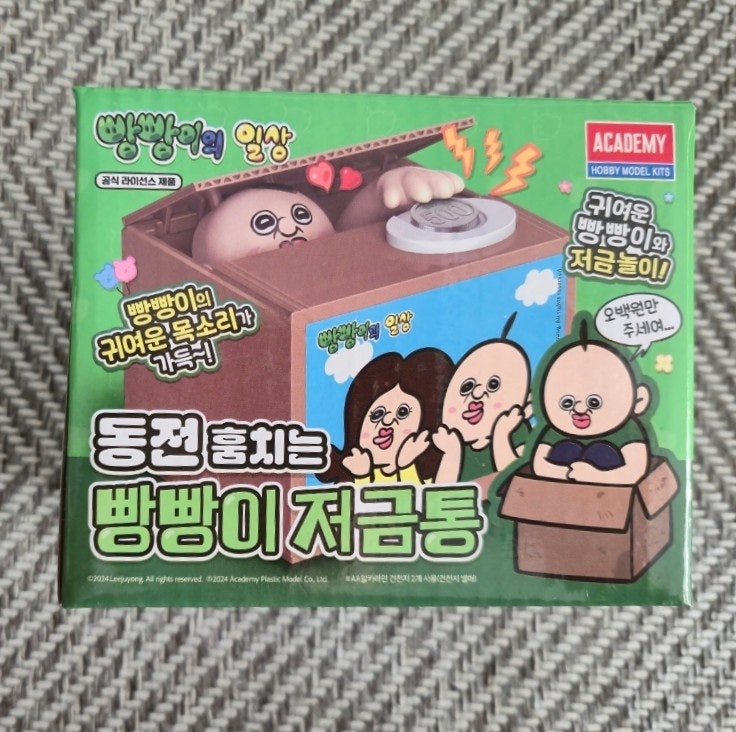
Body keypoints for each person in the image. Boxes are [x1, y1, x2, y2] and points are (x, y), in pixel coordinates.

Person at [191, 167, 465, 266]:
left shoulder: (332, 252)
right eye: (265, 223)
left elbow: (351, 229)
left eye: (301, 215)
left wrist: (392, 184)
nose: (289, 227)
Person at [531, 320, 651, 485]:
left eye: (594, 402)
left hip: (611, 495)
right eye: (567, 403)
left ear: (639, 400)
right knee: (566, 448)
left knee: (601, 451)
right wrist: (568, 473)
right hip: (561, 492)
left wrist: (595, 475)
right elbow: (539, 464)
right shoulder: (556, 429)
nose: (580, 409)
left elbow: (635, 470)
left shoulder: (628, 429)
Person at [319, 349, 455, 485]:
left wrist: (406, 465)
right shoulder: (356, 475)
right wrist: (362, 476)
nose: (387, 421)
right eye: (377, 415)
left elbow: (423, 495)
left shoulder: (431, 475)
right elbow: (363, 497)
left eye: (403, 412)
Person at [434, 313, 532, 483]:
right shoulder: (460, 448)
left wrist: (501, 435)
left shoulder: (517, 431)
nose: (477, 394)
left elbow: (516, 485)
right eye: (466, 387)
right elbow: (438, 495)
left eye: (493, 385)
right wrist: (452, 454)